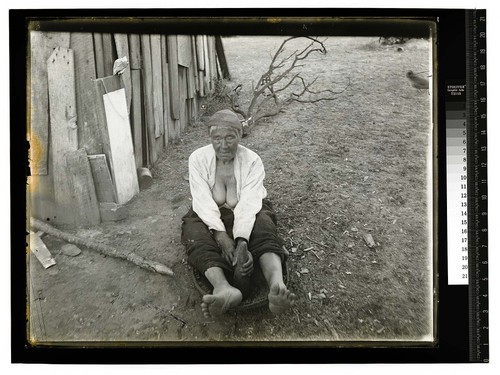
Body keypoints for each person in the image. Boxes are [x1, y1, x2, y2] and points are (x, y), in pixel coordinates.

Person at [181, 109, 296, 318]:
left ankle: (276, 286)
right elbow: (202, 201)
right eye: (217, 138)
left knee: (263, 225)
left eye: (229, 138)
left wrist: (242, 239)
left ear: (239, 136)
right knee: (194, 230)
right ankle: (223, 287)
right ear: (209, 138)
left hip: (247, 211)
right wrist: (220, 235)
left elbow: (250, 202)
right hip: (211, 214)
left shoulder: (252, 161)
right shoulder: (198, 159)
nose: (223, 145)